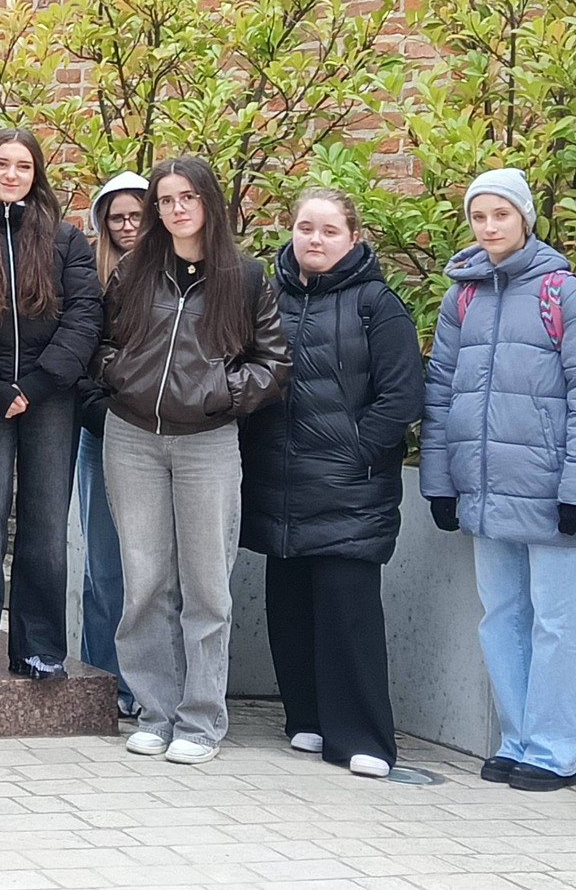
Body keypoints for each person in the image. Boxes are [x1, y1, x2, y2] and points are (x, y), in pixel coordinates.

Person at [422, 168, 576, 792]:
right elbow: (440, 394)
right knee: (501, 615)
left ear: (526, 218)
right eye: (478, 216)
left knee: (557, 622)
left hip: (550, 491)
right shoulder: (462, 299)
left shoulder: (570, 299)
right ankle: (516, 740)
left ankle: (554, 751)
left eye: (500, 214)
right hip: (483, 488)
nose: (488, 227)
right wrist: (439, 482)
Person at [98, 155, 290, 766]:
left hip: (208, 443)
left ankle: (201, 721)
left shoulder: (246, 277)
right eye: (165, 200)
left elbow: (273, 363)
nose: (176, 209)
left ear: (209, 200)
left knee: (207, 588)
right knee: (145, 584)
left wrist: (221, 393)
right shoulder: (133, 271)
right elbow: (102, 341)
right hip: (132, 437)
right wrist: (120, 376)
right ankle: (155, 714)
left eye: (187, 197)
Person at [240, 186, 423, 780]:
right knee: (290, 608)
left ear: (353, 237)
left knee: (349, 615)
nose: (314, 240)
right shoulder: (266, 296)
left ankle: (363, 738)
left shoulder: (376, 303)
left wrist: (358, 451)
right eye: (305, 228)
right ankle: (307, 718)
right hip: (279, 484)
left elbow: (402, 395)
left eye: (328, 231)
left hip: (349, 487)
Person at [0, 129, 103, 685]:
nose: (11, 175)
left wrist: (38, 383)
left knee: (45, 521)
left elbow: (85, 317)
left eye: (23, 166)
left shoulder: (67, 240)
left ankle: (40, 647)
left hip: (51, 396)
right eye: (1, 164)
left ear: (36, 176)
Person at [77, 172, 147, 715]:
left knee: (151, 568)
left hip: (161, 437)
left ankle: (146, 684)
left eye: (136, 216)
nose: (127, 226)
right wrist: (105, 417)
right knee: (103, 567)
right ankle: (105, 682)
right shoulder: (88, 275)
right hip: (100, 432)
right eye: (116, 217)